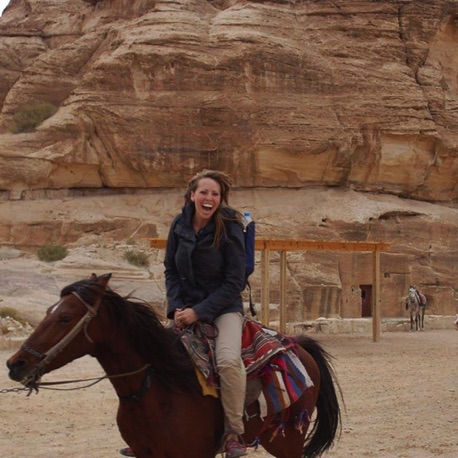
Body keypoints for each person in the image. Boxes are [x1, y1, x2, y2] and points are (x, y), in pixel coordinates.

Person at [121, 169, 248, 458]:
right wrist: (176, 308)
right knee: (153, 359)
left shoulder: (229, 226)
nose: (209, 198)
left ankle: (233, 432)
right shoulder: (179, 224)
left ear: (220, 199)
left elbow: (234, 282)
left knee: (228, 362)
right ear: (192, 195)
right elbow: (171, 270)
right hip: (184, 307)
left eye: (215, 194)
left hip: (223, 309)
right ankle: (146, 431)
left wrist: (199, 312)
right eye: (204, 192)